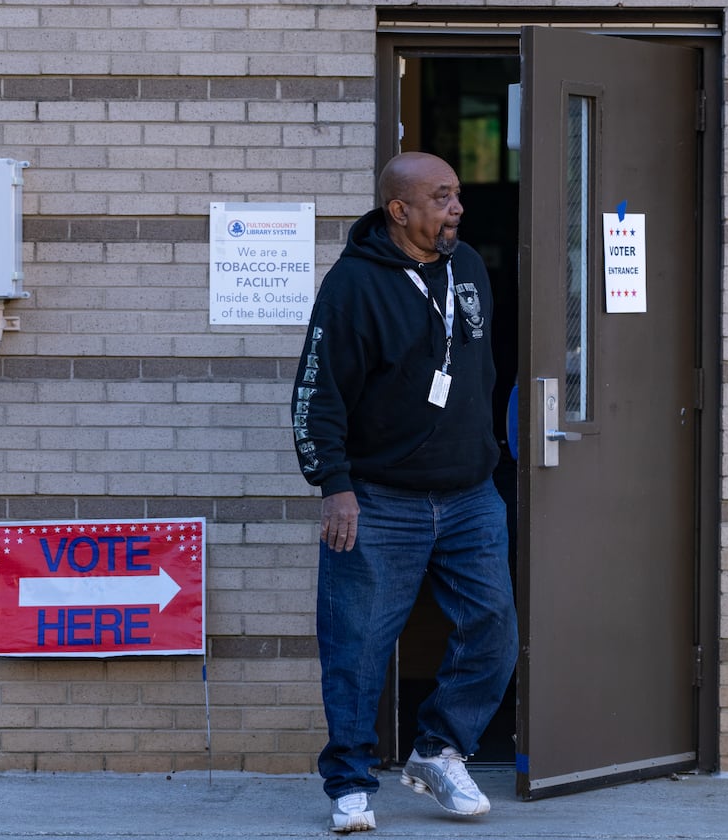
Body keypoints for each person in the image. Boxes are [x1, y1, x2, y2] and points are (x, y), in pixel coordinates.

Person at [291, 152, 519, 834]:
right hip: (379, 499)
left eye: (456, 195)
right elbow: (316, 396)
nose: (457, 207)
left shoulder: (469, 268)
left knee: (493, 629)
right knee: (357, 647)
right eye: (442, 197)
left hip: (471, 494)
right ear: (400, 210)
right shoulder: (353, 285)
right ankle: (352, 782)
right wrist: (335, 486)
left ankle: (439, 750)